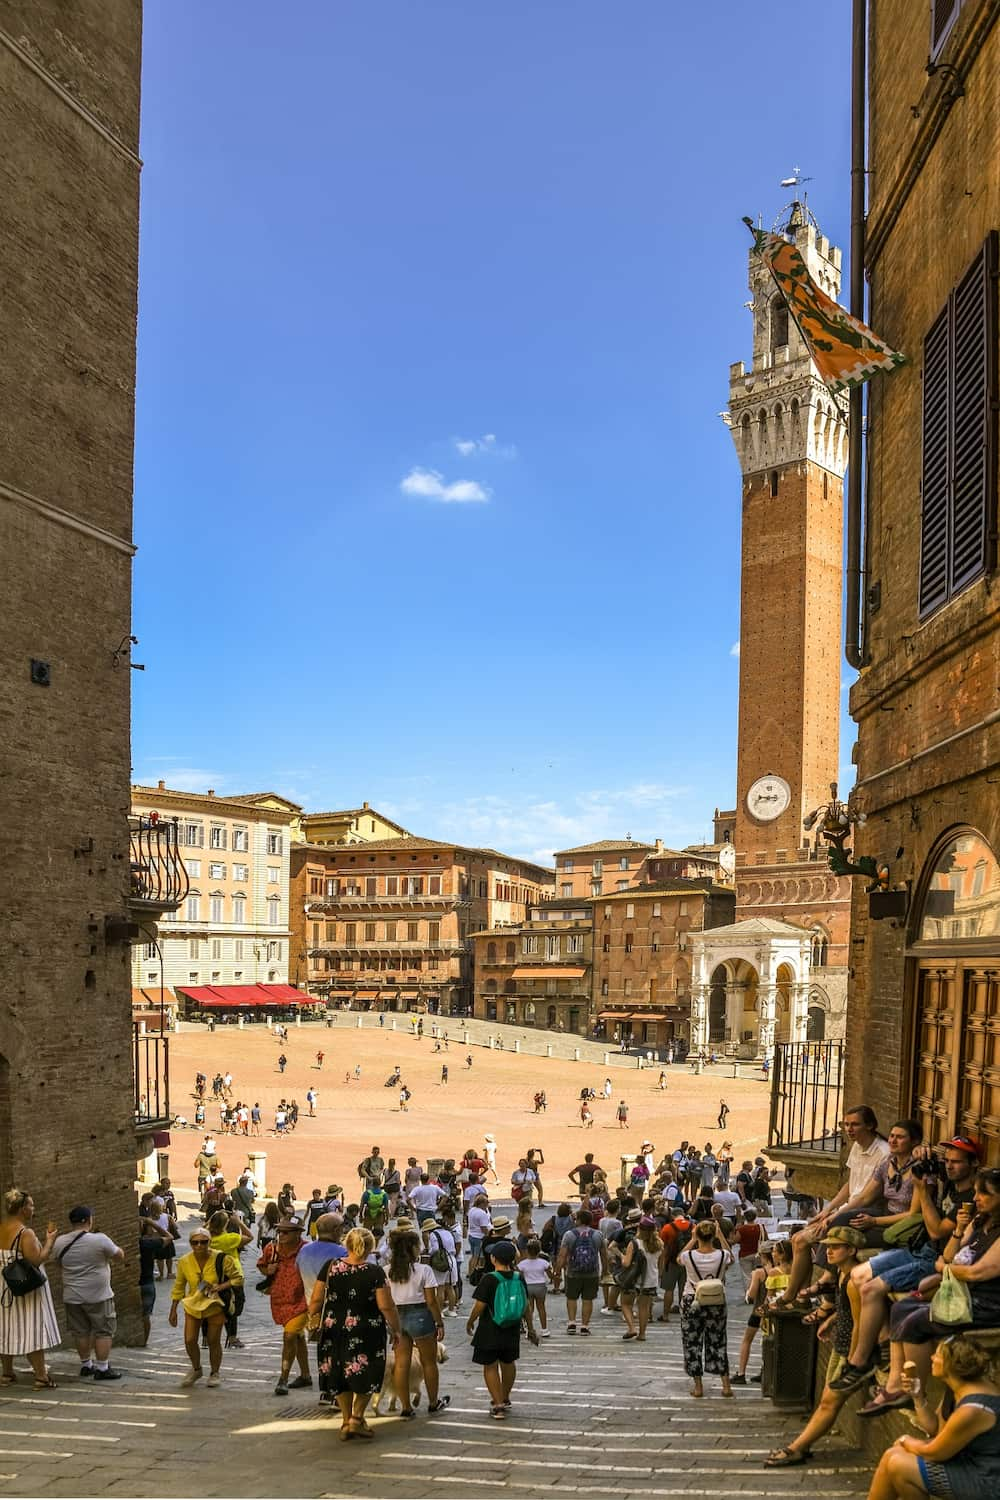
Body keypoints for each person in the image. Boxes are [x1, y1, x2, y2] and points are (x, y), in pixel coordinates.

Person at [832, 1134, 981, 1396]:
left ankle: (860, 1361)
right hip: (918, 1248)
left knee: (870, 1289)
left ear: (973, 1165)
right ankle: (881, 1342)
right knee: (858, 1275)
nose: (949, 1166)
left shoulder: (968, 1199)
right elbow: (926, 1157)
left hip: (932, 1258)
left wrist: (922, 1192)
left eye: (956, 1162)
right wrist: (922, 1151)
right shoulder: (949, 1182)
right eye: (947, 1161)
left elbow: (936, 1231)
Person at [875, 1165, 1000, 1408]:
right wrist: (959, 1230)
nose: (976, 1199)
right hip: (961, 1292)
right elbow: (949, 1254)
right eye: (976, 1192)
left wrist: (944, 1268)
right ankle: (895, 1383)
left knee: (916, 1322)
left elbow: (978, 1272)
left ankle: (914, 1392)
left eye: (984, 1194)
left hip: (987, 1303)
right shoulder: (979, 1220)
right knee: (902, 1307)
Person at [763, 1227, 869, 1465]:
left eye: (836, 1247)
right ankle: (802, 1445)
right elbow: (848, 1311)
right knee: (826, 1401)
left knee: (829, 1401)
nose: (829, 1252)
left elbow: (861, 1323)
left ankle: (797, 1448)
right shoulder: (843, 1275)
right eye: (828, 1246)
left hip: (849, 1351)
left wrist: (852, 1362)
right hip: (841, 1345)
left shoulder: (854, 1280)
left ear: (851, 1250)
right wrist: (831, 1319)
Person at [779, 1105, 890, 1307]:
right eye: (846, 1124)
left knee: (802, 1239)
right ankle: (800, 1297)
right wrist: (827, 1210)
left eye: (855, 1124)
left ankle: (794, 1294)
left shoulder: (883, 1153)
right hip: (849, 1208)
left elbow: (866, 1198)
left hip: (865, 1212)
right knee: (797, 1239)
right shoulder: (857, 1146)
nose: (849, 1129)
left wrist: (833, 1217)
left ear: (870, 1125)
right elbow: (850, 1185)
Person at [866, 1334, 1000, 1499]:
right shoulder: (957, 1387)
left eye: (937, 1355)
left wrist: (905, 1440)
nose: (931, 1357)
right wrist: (917, 1396)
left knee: (896, 1462)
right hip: (967, 1464)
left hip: (986, 1481)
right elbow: (935, 1428)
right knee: (895, 1459)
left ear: (949, 1365)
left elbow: (935, 1453)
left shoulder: (972, 1410)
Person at [308, 1226, 402, 1439]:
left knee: (339, 1372)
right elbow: (386, 1306)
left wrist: (312, 1317)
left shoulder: (331, 1267)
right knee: (366, 1372)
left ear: (346, 1244)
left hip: (333, 1329)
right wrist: (397, 1329)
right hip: (366, 1329)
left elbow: (315, 1299)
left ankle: (345, 1420)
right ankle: (357, 1418)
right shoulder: (375, 1272)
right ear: (370, 1247)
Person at [466, 1238, 538, 1419]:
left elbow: (480, 1305)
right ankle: (505, 1397)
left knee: (490, 1366)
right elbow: (526, 1306)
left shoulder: (489, 1279)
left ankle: (497, 1404)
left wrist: (470, 1321)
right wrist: (531, 1328)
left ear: (493, 1259)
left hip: (490, 1328)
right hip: (512, 1328)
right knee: (508, 1363)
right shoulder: (518, 1277)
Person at [52, 1206, 126, 1381]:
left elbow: (58, 1263)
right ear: (87, 1220)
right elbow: (120, 1255)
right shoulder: (99, 1239)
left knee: (81, 1332)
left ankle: (86, 1365)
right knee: (104, 1331)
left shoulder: (60, 1242)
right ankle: (102, 1368)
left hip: (72, 1295)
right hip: (99, 1295)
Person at [385, 1225, 449, 1414]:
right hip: (420, 1315)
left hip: (397, 1316)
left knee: (401, 1362)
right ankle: (433, 1401)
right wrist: (439, 1322)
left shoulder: (386, 1270)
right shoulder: (424, 1270)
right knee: (428, 1362)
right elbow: (431, 1300)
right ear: (413, 1249)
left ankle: (405, 1406)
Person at [0, 1188, 60, 1389]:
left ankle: (7, 1374)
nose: (33, 1209)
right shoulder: (25, 1233)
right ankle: (41, 1376)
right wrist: (50, 1241)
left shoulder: (0, 1229)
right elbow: (36, 1260)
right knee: (31, 1329)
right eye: (31, 1205)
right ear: (23, 1209)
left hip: (4, 1287)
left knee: (5, 1329)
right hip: (26, 1288)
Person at [168, 1228, 242, 1387]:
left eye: (203, 1242)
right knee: (189, 1340)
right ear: (190, 1244)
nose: (199, 1245)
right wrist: (173, 1309)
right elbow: (179, 1286)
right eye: (195, 1242)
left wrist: (220, 1287)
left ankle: (215, 1372)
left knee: (214, 1340)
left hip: (214, 1305)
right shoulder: (184, 1261)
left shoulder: (222, 1259)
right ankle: (196, 1368)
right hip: (193, 1304)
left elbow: (237, 1278)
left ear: (209, 1242)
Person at [677, 1213, 735, 1398]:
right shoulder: (722, 1255)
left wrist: (693, 1239)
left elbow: (679, 1258)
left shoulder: (688, 1256)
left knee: (692, 1342)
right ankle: (726, 1385)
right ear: (713, 1235)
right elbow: (731, 1258)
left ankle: (698, 1387)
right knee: (718, 1340)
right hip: (716, 1301)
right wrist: (721, 1237)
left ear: (698, 1235)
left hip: (691, 1300)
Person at [257, 1219, 312, 1396]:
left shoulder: (307, 1249)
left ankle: (283, 1379)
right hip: (280, 1299)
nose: (281, 1235)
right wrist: (268, 1271)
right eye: (280, 1231)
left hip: (302, 1300)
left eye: (286, 1232)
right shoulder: (272, 1249)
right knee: (296, 1336)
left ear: (298, 1233)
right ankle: (305, 1375)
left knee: (289, 1336)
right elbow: (262, 1265)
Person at [555, 1209, 608, 1336]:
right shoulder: (598, 1235)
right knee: (587, 1299)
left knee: (572, 1297)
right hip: (592, 1272)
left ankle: (572, 1323)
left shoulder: (569, 1235)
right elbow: (604, 1255)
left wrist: (557, 1271)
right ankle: (585, 1325)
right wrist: (605, 1270)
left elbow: (562, 1255)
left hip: (573, 1272)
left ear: (578, 1220)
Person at [620, 1216, 663, 1342]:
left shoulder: (634, 1243)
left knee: (626, 1304)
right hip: (650, 1280)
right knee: (644, 1308)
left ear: (639, 1228)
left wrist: (621, 1256)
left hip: (634, 1280)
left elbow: (626, 1263)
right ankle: (642, 1334)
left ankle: (632, 1328)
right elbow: (660, 1263)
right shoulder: (659, 1244)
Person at [138, 1217, 173, 1346]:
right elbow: (169, 1237)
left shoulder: (130, 1244)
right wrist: (155, 1224)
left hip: (134, 1284)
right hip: (147, 1283)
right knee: (145, 1315)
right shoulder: (149, 1244)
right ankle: (143, 1342)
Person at [517, 1236, 552, 1337]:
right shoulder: (544, 1262)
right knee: (541, 1307)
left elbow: (519, 1275)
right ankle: (544, 1330)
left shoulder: (522, 1264)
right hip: (540, 1285)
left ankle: (530, 1330)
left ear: (527, 1251)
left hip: (528, 1286)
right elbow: (550, 1275)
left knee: (529, 1309)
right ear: (539, 1251)